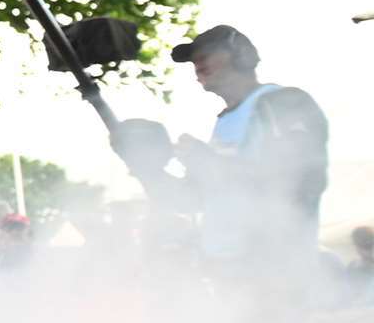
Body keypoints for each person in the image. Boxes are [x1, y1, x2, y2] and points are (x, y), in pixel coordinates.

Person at [118, 24, 329, 282]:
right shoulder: (226, 122)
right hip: (228, 272)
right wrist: (146, 168)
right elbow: (190, 201)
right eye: (194, 59)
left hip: (275, 270)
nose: (197, 63)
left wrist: (208, 162)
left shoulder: (284, 102)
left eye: (206, 53)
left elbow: (298, 181)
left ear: (241, 55)